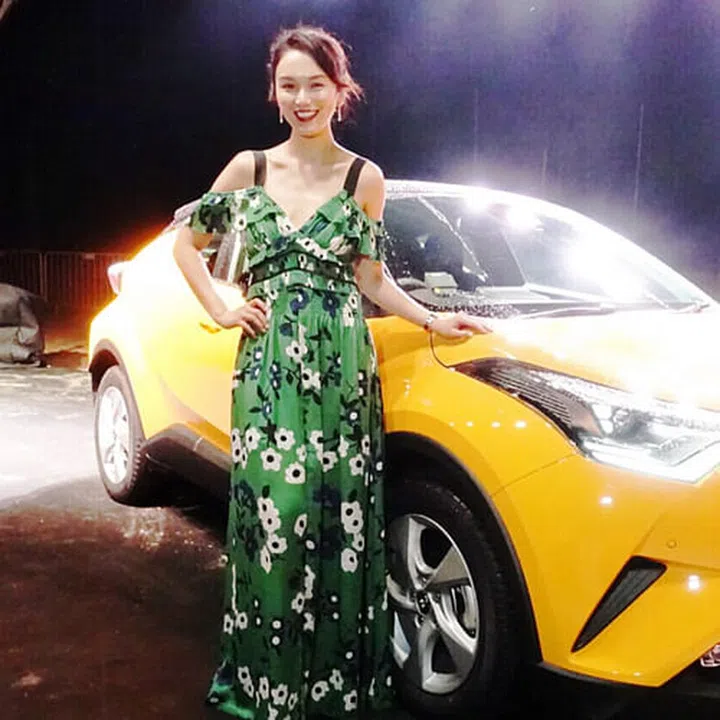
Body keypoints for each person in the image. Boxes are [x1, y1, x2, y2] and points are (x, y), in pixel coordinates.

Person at [173, 24, 491, 720]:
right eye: (289, 85)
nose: (302, 98)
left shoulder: (363, 178)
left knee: (339, 522)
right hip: (269, 367)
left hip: (342, 366)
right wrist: (223, 308)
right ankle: (268, 682)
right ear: (274, 92)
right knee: (276, 519)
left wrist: (432, 319)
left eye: (315, 84)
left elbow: (370, 279)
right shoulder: (250, 169)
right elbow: (186, 244)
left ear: (339, 90)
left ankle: (331, 683)